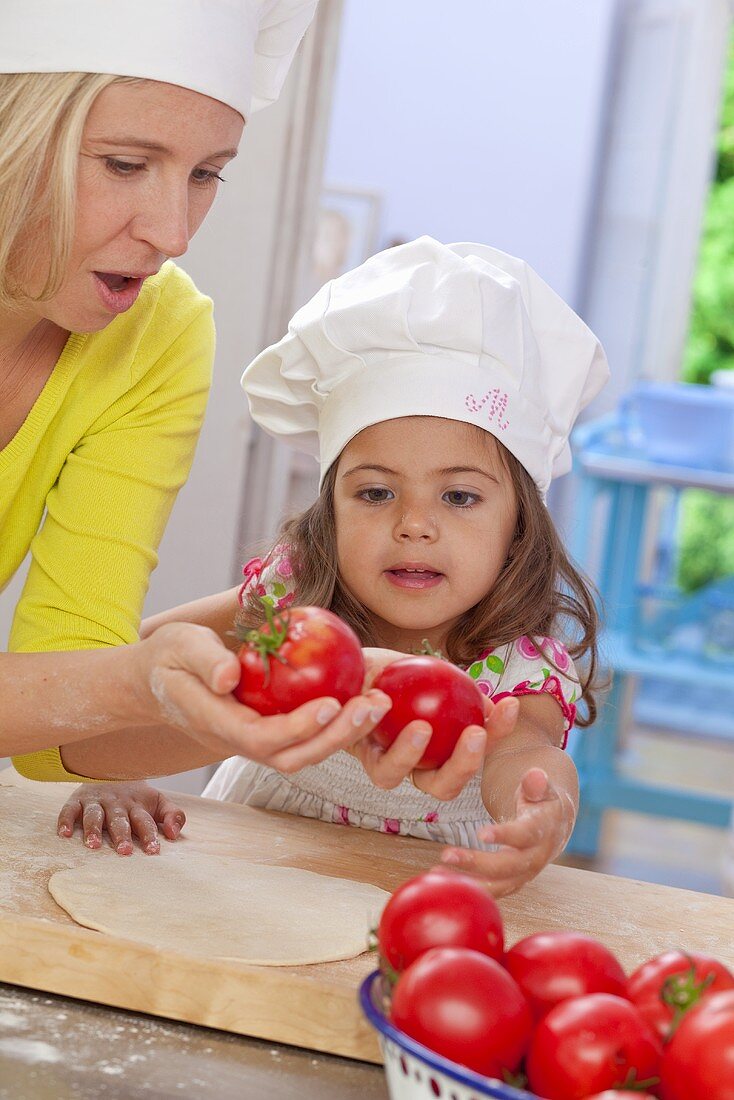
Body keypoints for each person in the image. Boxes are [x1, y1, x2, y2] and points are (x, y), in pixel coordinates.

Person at [1, 0, 399, 853]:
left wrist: (254, 703)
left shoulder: (155, 332)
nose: (173, 233)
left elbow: (60, 700)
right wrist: (132, 680)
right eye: (123, 163)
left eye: (206, 173)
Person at [146, 235, 608, 895]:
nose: (414, 523)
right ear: (331, 509)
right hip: (245, 868)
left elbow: (526, 753)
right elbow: (144, 660)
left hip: (422, 894)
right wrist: (114, 777)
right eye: (376, 492)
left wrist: (541, 810)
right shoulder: (289, 600)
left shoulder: (518, 662)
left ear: (517, 528)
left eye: (459, 496)